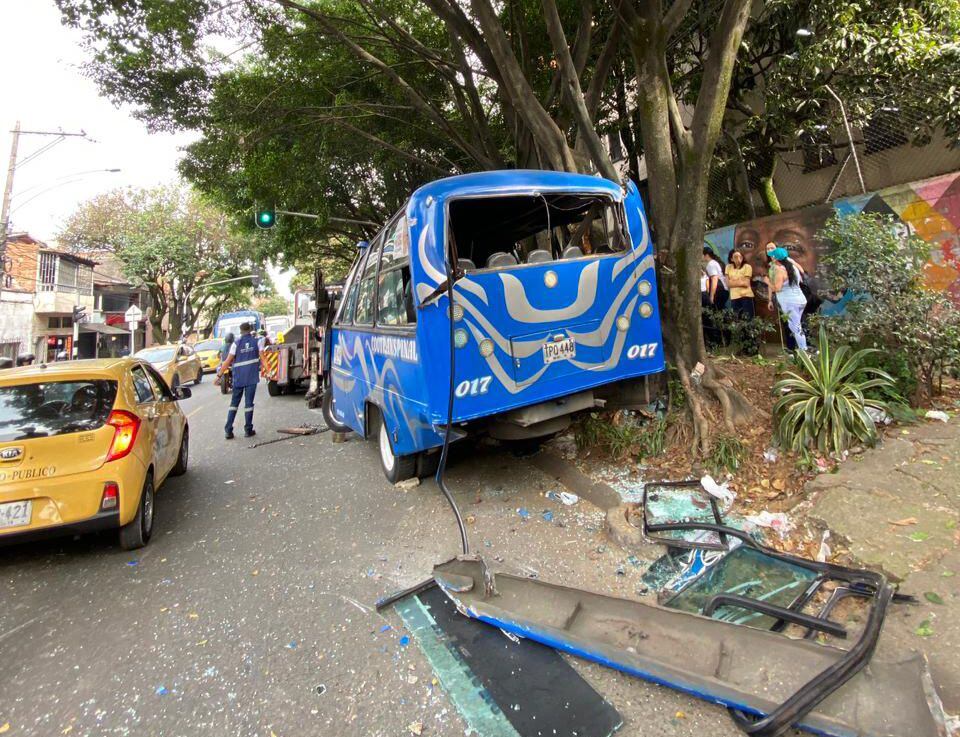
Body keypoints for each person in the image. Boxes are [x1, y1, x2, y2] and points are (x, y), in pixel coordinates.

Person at [215, 322, 260, 439]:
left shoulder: (236, 343)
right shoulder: (256, 342)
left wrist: (219, 376)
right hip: (251, 378)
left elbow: (227, 362)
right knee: (249, 404)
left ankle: (228, 431)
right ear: (250, 330)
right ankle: (248, 430)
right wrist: (269, 370)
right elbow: (263, 358)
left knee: (234, 404)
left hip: (238, 378)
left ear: (240, 331)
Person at [767, 247, 807, 352]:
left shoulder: (780, 271)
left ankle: (804, 353)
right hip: (800, 299)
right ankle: (803, 351)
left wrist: (767, 281)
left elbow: (777, 288)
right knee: (795, 326)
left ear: (776, 259)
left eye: (772, 256)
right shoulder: (793, 267)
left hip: (790, 302)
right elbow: (802, 273)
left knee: (796, 328)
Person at [725, 250, 754, 318]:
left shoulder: (747, 267)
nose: (738, 259)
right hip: (734, 297)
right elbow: (728, 284)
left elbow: (746, 283)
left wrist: (733, 281)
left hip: (746, 296)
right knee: (736, 319)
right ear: (731, 259)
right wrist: (740, 281)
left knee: (748, 319)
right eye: (735, 257)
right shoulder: (728, 267)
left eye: (740, 257)